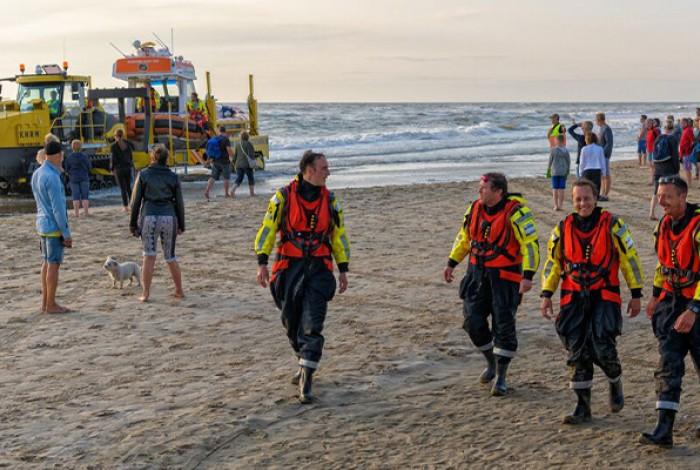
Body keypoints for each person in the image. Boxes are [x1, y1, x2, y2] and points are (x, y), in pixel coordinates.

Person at [540, 178, 643, 424]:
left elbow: (630, 260)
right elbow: (553, 264)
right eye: (577, 199)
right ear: (571, 200)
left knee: (602, 346)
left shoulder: (614, 225)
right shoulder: (562, 228)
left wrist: (636, 294)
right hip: (573, 296)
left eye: (586, 198)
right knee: (577, 350)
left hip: (604, 295)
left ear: (596, 199)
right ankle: (582, 407)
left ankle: (614, 378)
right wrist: (546, 294)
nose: (582, 203)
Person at [254, 150, 350, 403]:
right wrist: (262, 262)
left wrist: (343, 268)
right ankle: (303, 360)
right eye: (323, 168)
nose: (328, 172)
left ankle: (307, 376)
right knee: (291, 321)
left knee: (313, 321)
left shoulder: (331, 201)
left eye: (327, 168)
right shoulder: (282, 197)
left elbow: (338, 236)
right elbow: (267, 229)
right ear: (308, 170)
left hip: (319, 267)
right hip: (289, 269)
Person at [443, 173, 540, 396]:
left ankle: (502, 377)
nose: (480, 191)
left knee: (503, 326)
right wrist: (451, 263)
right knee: (472, 321)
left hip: (505, 278)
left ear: (499, 192)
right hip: (476, 274)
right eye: (480, 187)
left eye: (484, 188)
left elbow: (531, 245)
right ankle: (490, 362)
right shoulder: (474, 209)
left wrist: (528, 276)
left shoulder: (517, 213)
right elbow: (464, 238)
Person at [640, 176, 700, 448]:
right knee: (668, 365)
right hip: (672, 304)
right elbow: (662, 264)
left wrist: (693, 310)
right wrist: (654, 296)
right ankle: (664, 430)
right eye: (659, 195)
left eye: (667, 196)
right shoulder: (664, 225)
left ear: (682, 197)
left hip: (695, 307)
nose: (661, 201)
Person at [129, 145, 185, 302]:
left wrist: (132, 224)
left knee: (148, 256)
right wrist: (181, 224)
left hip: (149, 216)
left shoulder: (144, 175)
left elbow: (135, 202)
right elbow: (179, 202)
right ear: (167, 158)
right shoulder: (173, 177)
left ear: (152, 157)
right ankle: (179, 290)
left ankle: (145, 293)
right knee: (170, 256)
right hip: (169, 217)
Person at [31, 140, 73, 314]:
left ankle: (45, 302)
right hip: (53, 226)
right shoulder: (52, 177)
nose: (63, 159)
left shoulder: (37, 173)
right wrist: (66, 233)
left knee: (46, 263)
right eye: (62, 155)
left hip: (41, 224)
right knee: (54, 264)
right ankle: (51, 304)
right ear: (57, 155)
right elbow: (58, 208)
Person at [649, 122, 680, 220]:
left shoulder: (658, 138)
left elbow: (654, 153)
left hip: (658, 166)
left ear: (664, 128)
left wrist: (654, 166)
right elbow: (675, 156)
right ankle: (667, 213)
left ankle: (651, 213)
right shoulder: (673, 139)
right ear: (672, 129)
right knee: (669, 192)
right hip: (669, 167)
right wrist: (677, 169)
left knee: (656, 191)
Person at [202, 126, 233, 201]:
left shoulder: (215, 138)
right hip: (225, 161)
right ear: (225, 132)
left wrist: (208, 161)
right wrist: (233, 158)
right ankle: (226, 193)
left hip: (215, 161)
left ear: (219, 131)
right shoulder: (226, 139)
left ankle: (207, 191)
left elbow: (210, 151)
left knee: (213, 177)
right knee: (226, 177)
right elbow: (229, 150)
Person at [63, 140, 92, 217]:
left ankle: (76, 213)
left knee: (75, 196)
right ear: (80, 147)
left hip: (73, 178)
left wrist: (69, 174)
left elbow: (66, 169)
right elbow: (89, 167)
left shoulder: (69, 157)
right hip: (84, 177)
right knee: (85, 196)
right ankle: (86, 212)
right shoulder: (84, 156)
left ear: (72, 147)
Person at [110, 129, 135, 212]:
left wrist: (112, 169)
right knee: (129, 187)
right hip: (128, 168)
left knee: (122, 188)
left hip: (119, 169)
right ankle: (132, 205)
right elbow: (131, 156)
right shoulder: (128, 144)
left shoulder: (113, 146)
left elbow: (113, 159)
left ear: (116, 136)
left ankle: (125, 206)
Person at [547, 134, 571, 211]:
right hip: (563, 171)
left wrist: (548, 169)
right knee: (561, 189)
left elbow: (550, 160)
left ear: (556, 141)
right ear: (563, 141)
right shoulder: (566, 150)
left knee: (555, 189)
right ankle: (560, 205)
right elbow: (568, 161)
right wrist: (568, 170)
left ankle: (555, 205)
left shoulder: (553, 150)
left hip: (555, 172)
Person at [579, 133, 606, 198]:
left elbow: (582, 162)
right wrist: (604, 172)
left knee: (586, 188)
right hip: (596, 170)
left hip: (586, 170)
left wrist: (580, 172)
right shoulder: (600, 149)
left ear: (587, 140)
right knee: (595, 189)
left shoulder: (584, 149)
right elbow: (602, 161)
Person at [231, 130, 257, 197]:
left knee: (239, 178)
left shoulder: (237, 144)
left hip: (238, 165)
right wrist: (254, 163)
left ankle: (232, 190)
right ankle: (252, 193)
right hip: (247, 165)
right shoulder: (249, 144)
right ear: (247, 137)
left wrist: (233, 163)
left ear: (241, 137)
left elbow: (235, 155)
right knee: (250, 178)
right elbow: (251, 155)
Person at [595, 112, 613, 201]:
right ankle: (602, 193)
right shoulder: (601, 128)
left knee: (606, 175)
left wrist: (603, 153)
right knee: (602, 175)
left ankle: (606, 194)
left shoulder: (607, 129)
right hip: (601, 154)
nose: (595, 122)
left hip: (605, 155)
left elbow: (609, 143)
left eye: (596, 120)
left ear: (599, 120)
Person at [679, 118, 695, 184]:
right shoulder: (685, 130)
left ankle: (689, 182)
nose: (681, 124)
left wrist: (689, 149)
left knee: (687, 168)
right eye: (681, 123)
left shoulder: (688, 130)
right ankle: (689, 181)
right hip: (683, 152)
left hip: (687, 152)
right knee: (686, 168)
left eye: (683, 123)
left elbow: (693, 141)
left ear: (686, 123)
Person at [646, 118, 660, 185]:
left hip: (654, 151)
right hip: (649, 150)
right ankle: (652, 179)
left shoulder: (655, 130)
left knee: (654, 166)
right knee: (651, 165)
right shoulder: (649, 131)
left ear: (652, 124)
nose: (648, 124)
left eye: (649, 123)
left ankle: (653, 180)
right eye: (647, 123)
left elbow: (659, 140)